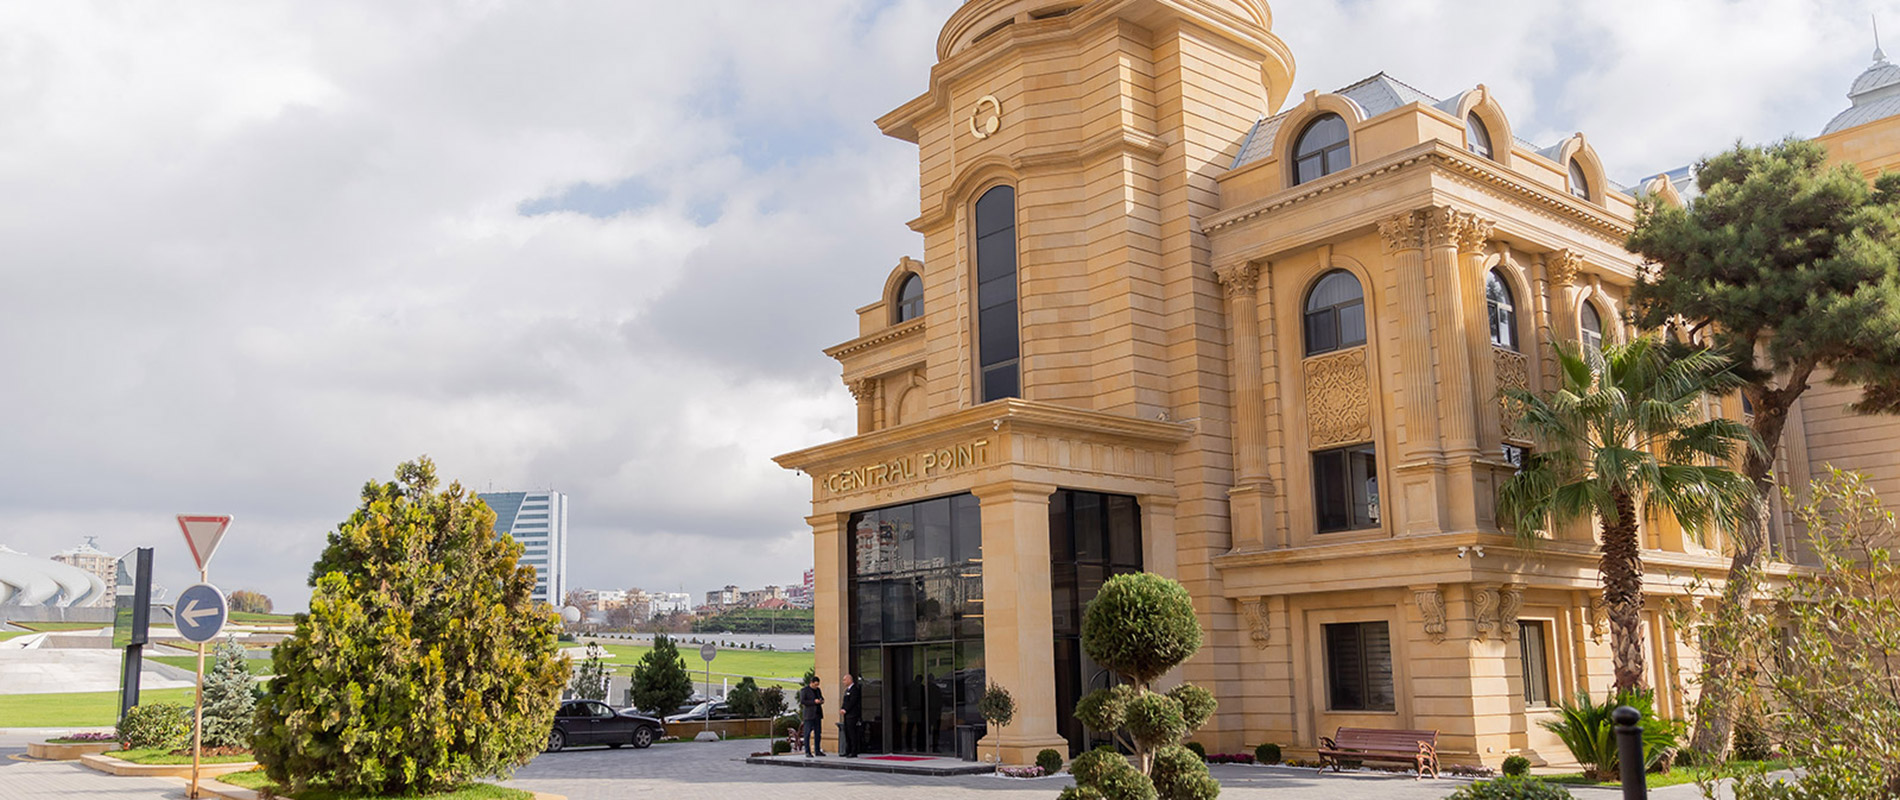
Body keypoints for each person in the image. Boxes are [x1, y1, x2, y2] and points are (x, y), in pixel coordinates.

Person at [796, 675, 826, 757]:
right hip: (809, 715)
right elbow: (803, 701)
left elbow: (821, 697)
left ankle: (817, 750)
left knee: (818, 733)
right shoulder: (805, 690)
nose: (816, 686)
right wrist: (813, 702)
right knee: (807, 733)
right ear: (811, 683)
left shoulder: (818, 690)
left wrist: (821, 700)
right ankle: (807, 751)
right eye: (815, 685)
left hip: (817, 714)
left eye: (817, 685)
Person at [839, 672, 862, 758]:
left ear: (849, 680)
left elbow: (852, 702)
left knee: (852, 734)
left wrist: (845, 709)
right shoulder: (847, 690)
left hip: (852, 715)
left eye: (845, 680)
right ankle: (848, 750)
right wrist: (842, 708)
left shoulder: (854, 690)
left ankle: (854, 751)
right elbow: (845, 701)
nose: (843, 682)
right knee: (847, 733)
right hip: (847, 715)